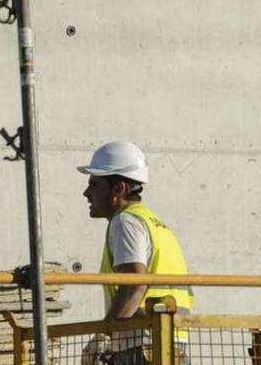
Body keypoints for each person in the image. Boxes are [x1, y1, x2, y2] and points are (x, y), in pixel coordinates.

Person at [78, 141, 193, 365]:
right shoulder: (154, 223)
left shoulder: (126, 221)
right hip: (170, 340)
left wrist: (106, 333)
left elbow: (135, 283)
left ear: (118, 189)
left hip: (141, 341)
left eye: (94, 184)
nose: (86, 193)